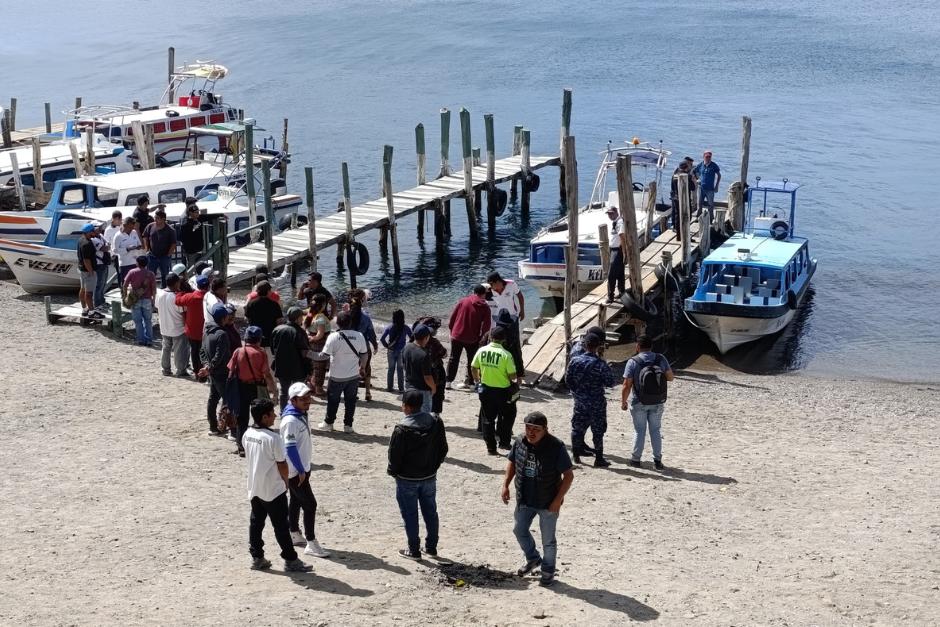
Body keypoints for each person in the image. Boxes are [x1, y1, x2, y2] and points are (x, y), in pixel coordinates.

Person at [501, 411, 574, 587]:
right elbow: (512, 462)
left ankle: (548, 571)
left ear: (545, 430)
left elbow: (568, 475)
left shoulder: (556, 447)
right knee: (519, 530)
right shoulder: (520, 441)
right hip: (525, 498)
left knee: (548, 540)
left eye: (536, 429)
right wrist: (505, 485)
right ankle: (533, 559)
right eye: (528, 427)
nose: (531, 432)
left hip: (548, 502)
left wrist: (557, 500)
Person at [244, 398, 312, 573]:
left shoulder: (247, 434)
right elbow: (282, 464)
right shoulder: (274, 438)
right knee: (281, 525)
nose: (275, 416)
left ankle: (257, 557)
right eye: (272, 413)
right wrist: (286, 481)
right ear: (264, 417)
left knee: (256, 523)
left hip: (255, 486)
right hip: (273, 489)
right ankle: (291, 559)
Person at [387, 390, 448, 560]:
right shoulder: (435, 422)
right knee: (431, 512)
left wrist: (394, 473)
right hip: (429, 477)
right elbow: (443, 448)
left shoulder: (401, 429)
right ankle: (431, 548)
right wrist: (434, 466)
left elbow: (394, 456)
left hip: (407, 479)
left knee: (410, 514)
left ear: (405, 407)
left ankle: (414, 550)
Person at [280, 382, 330, 558]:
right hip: (295, 471)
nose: (307, 401)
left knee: (296, 500)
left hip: (302, 468)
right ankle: (311, 542)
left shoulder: (300, 414)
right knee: (310, 504)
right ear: (293, 400)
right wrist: (301, 470)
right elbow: (290, 447)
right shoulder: (290, 421)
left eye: (308, 397)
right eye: (303, 399)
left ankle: (294, 532)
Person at [621, 334, 674, 470]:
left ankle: (635, 459)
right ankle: (657, 461)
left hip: (639, 401)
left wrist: (623, 402)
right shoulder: (660, 358)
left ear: (637, 346)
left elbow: (627, 385)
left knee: (639, 430)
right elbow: (670, 377)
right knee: (655, 430)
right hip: (657, 401)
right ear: (651, 346)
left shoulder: (633, 361)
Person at [564, 334, 615, 467]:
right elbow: (610, 382)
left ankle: (576, 456)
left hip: (580, 401)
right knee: (598, 430)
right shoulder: (600, 364)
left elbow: (568, 380)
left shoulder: (574, 361)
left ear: (585, 345)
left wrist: (578, 392)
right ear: (598, 346)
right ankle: (599, 458)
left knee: (577, 428)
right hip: (596, 402)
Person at [228, 327, 279, 457]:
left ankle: (241, 447)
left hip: (241, 388)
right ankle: (260, 446)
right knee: (261, 417)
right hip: (257, 387)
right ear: (259, 340)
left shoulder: (238, 351)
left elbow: (231, 371)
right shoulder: (261, 353)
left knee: (242, 418)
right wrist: (274, 390)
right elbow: (267, 375)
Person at [471, 325, 519, 454]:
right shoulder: (506, 354)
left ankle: (491, 448)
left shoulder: (482, 351)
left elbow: (473, 367)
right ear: (503, 339)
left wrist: (477, 381)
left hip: (486, 389)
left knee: (488, 419)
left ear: (491, 337)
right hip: (503, 391)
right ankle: (504, 442)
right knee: (507, 416)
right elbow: (512, 375)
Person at [318, 311, 367, 433]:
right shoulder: (359, 336)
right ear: (350, 323)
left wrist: (308, 353)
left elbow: (324, 356)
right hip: (353, 376)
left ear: (338, 323)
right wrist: (362, 367)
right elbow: (364, 354)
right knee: (351, 402)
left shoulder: (333, 337)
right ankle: (348, 425)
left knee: (333, 401)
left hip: (336, 376)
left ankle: (329, 423)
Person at [446, 285, 491, 390]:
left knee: (453, 358)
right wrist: (482, 338)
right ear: (484, 294)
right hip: (472, 338)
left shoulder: (463, 301)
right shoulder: (485, 307)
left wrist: (452, 330)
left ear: (474, 292)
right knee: (472, 360)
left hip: (457, 335)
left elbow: (453, 317)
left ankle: (448, 382)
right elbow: (486, 326)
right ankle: (471, 383)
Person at [200, 303, 233, 436]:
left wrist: (207, 366)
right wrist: (210, 367)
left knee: (213, 400)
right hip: (222, 373)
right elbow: (220, 355)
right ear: (224, 318)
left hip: (213, 373)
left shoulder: (206, 332)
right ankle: (228, 428)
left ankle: (213, 427)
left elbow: (202, 351)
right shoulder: (222, 334)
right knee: (228, 400)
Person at [271, 307, 312, 411]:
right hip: (298, 368)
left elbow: (273, 349)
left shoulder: (277, 329)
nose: (302, 319)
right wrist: (309, 370)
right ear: (298, 318)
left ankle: (283, 412)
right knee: (299, 392)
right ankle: (298, 412)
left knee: (284, 392)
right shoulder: (300, 332)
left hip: (281, 366)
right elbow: (305, 353)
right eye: (301, 317)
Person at [155, 273, 190, 377]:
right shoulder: (177, 297)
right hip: (177, 328)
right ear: (176, 283)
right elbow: (183, 313)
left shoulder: (160, 293)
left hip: (164, 326)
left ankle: (165, 369)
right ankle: (181, 370)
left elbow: (157, 307)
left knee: (166, 348)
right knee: (179, 351)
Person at [176, 274, 209, 379]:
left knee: (194, 352)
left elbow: (178, 301)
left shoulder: (190, 297)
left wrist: (180, 291)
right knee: (206, 353)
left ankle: (197, 373)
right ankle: (206, 372)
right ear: (208, 286)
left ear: (197, 285)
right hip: (206, 331)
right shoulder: (210, 297)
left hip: (192, 331)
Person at [348, 289, 378, 402]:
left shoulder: (346, 316)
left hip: (350, 347)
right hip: (364, 346)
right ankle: (367, 392)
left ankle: (354, 392)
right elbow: (371, 334)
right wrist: (375, 345)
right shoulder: (366, 317)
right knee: (366, 368)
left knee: (352, 369)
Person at [402, 325, 436, 414]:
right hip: (422, 390)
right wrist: (433, 388)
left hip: (409, 387)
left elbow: (404, 365)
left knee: (410, 414)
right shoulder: (424, 354)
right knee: (424, 415)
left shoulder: (406, 347)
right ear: (426, 338)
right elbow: (427, 377)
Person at [123, 255, 156, 346]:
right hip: (147, 299)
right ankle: (149, 340)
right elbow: (154, 289)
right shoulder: (150, 274)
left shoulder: (132, 272)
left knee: (138, 321)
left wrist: (125, 296)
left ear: (137, 263)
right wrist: (153, 300)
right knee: (148, 321)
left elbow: (125, 285)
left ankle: (141, 339)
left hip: (135, 299)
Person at [303, 294, 331, 397]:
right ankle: (319, 389)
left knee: (312, 366)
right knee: (320, 367)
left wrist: (309, 337)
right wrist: (313, 338)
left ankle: (311, 385)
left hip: (310, 345)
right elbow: (320, 334)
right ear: (323, 305)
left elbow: (304, 327)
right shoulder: (321, 318)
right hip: (320, 346)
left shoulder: (309, 313)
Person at [245, 280, 284, 351]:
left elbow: (247, 319)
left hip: (255, 339)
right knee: (269, 357)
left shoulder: (251, 304)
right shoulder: (275, 305)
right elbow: (279, 322)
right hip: (270, 339)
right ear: (268, 291)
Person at [142, 209, 177, 288]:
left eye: (157, 218)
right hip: (152, 256)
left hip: (164, 257)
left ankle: (164, 289)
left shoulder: (170, 230)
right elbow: (145, 237)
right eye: (155, 217)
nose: (155, 219)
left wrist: (168, 255)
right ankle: (150, 290)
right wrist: (147, 249)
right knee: (150, 275)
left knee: (165, 275)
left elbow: (173, 243)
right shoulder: (150, 226)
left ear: (163, 219)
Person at [380, 309, 413, 393]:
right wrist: (408, 346)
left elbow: (382, 339)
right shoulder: (405, 327)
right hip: (402, 351)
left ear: (393, 317)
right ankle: (401, 389)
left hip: (391, 351)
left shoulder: (390, 327)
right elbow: (412, 338)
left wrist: (387, 346)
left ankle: (389, 387)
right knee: (400, 369)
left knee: (391, 369)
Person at [76, 223, 100, 320]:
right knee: (89, 292)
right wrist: (91, 272)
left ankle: (84, 309)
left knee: (82, 289)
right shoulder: (87, 244)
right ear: (89, 232)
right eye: (93, 231)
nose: (94, 233)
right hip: (88, 271)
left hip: (82, 269)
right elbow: (86, 260)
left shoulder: (80, 240)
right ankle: (91, 312)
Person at [112, 217, 143, 285]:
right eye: (130, 227)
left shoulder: (134, 232)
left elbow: (139, 243)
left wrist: (138, 247)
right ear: (124, 225)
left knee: (136, 283)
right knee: (125, 284)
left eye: (132, 227)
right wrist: (127, 249)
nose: (131, 229)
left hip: (135, 262)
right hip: (125, 264)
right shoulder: (118, 236)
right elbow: (115, 250)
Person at [605, 204, 627, 304]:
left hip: (618, 250)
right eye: (608, 214)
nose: (610, 215)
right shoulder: (615, 222)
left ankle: (610, 296)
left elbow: (622, 236)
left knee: (611, 274)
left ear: (616, 213)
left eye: (611, 213)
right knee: (620, 273)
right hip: (613, 250)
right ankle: (622, 292)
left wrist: (624, 252)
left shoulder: (619, 222)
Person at [179, 199, 206, 268]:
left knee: (200, 267)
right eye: (195, 212)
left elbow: (208, 217)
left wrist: (221, 215)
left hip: (199, 249)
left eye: (198, 212)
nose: (197, 214)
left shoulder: (198, 219)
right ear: (190, 213)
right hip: (191, 251)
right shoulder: (185, 221)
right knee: (191, 268)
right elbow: (182, 237)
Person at [90, 222, 111, 309]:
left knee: (103, 283)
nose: (100, 228)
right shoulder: (93, 239)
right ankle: (97, 303)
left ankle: (102, 300)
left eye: (100, 227)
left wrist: (107, 246)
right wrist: (107, 246)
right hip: (98, 264)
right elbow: (104, 248)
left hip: (104, 263)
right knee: (98, 284)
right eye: (98, 227)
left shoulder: (101, 236)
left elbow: (108, 244)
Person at [693, 150, 721, 215]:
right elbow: (694, 171)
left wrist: (717, 186)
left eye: (709, 157)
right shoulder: (700, 165)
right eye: (706, 157)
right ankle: (698, 216)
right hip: (701, 188)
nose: (708, 158)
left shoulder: (714, 165)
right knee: (699, 203)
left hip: (710, 189)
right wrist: (696, 179)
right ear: (703, 157)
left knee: (710, 204)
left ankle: (711, 218)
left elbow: (719, 175)